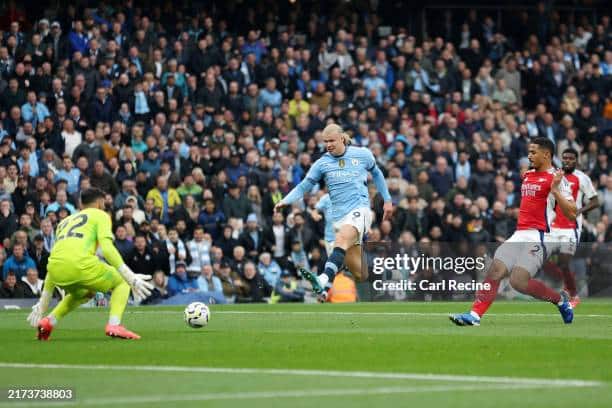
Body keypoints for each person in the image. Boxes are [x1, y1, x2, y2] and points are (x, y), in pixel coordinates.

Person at [450, 138, 576, 326]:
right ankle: (474, 315)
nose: (529, 155)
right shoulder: (528, 175)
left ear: (547, 154)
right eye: (529, 151)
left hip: (539, 236)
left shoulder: (557, 178)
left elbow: (572, 213)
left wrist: (556, 191)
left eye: (534, 152)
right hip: (519, 233)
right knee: (495, 270)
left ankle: (560, 301)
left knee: (518, 282)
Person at [274, 123, 392, 301]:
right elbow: (304, 186)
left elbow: (377, 174)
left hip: (360, 210)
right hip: (339, 218)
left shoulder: (362, 154)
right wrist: (285, 200)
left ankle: (322, 279)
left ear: (342, 139)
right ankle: (381, 280)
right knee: (359, 273)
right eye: (325, 141)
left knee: (341, 240)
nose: (328, 144)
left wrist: (387, 200)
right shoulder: (322, 163)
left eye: (332, 141)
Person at [26, 188, 154, 340]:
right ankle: (114, 324)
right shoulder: (101, 215)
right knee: (122, 282)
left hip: (56, 271)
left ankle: (49, 321)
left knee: (84, 293)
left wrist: (43, 303)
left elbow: (56, 258)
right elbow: (107, 249)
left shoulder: (64, 222)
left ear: (81, 203)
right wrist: (130, 276)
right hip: (80, 265)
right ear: (100, 203)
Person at [545, 148, 599, 307]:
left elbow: (595, 201)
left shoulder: (582, 178)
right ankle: (567, 287)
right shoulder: (555, 176)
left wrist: (578, 211)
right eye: (565, 158)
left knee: (564, 262)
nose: (567, 161)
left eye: (571, 158)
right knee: (540, 258)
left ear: (577, 160)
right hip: (553, 226)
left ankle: (573, 295)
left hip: (571, 227)